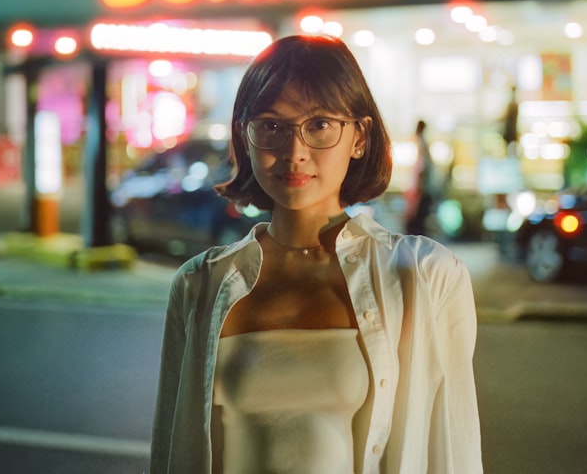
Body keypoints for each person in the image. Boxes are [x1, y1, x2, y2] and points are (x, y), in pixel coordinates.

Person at [150, 34, 482, 474]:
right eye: (271, 125)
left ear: (359, 136)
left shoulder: (425, 277)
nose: (294, 152)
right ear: (244, 138)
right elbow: (172, 454)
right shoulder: (200, 285)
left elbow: (453, 450)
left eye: (320, 124)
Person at [404, 119, 436, 236]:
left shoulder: (421, 144)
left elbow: (421, 170)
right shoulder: (424, 144)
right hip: (424, 190)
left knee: (415, 224)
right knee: (418, 223)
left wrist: (416, 190)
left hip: (422, 191)